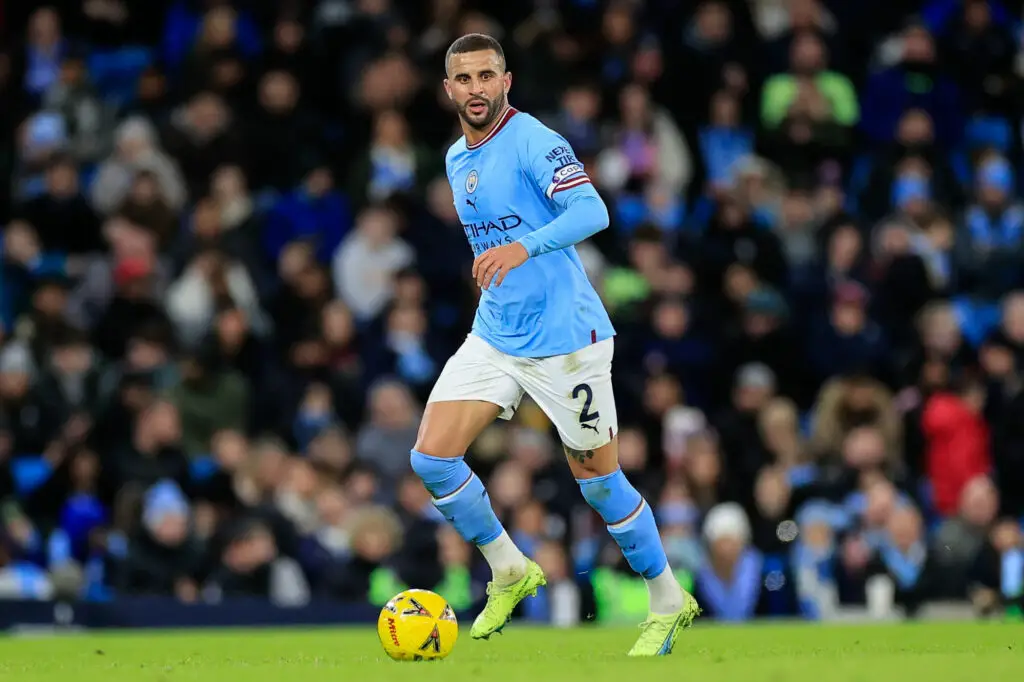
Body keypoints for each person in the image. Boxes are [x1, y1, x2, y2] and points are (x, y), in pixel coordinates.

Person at [409, 33, 700, 656]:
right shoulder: (457, 157)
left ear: (506, 81)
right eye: (465, 79)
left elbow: (592, 211)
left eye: (487, 75)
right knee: (432, 459)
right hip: (496, 333)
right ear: (449, 89)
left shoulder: (534, 140)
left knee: (599, 480)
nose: (477, 88)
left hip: (567, 339)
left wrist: (523, 247)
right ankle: (509, 568)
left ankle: (667, 598)